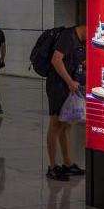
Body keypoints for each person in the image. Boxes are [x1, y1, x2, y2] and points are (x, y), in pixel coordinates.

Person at [45, 24, 86, 181]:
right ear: (86, 27)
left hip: (69, 87)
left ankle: (68, 164)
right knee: (55, 125)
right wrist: (69, 81)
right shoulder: (68, 36)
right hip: (57, 86)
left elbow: (77, 62)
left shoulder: (80, 41)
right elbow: (56, 60)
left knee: (66, 124)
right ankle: (52, 167)